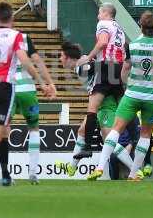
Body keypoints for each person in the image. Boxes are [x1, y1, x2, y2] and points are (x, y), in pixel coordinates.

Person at [88, 11, 153, 181]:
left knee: (116, 130)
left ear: (141, 25)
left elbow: (125, 72)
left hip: (132, 95)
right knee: (145, 135)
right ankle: (134, 173)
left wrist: (128, 84)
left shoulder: (132, 46)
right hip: (152, 98)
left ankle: (99, 167)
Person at [0, 2, 52, 187]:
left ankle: (5, 174)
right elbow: (26, 61)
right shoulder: (16, 36)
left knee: (1, 131)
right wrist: (41, 82)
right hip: (5, 87)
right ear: (11, 18)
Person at [58, 42, 137, 178]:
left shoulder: (83, 65)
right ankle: (72, 167)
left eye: (61, 56)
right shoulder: (81, 66)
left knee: (108, 139)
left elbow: (104, 71)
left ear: (68, 57)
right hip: (103, 102)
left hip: (106, 104)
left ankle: (135, 170)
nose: (60, 60)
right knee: (82, 131)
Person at [77, 3, 126, 154]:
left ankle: (87, 146)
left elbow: (103, 42)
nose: (98, 16)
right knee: (123, 107)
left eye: (99, 13)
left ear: (105, 13)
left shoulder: (103, 24)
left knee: (92, 108)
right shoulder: (120, 29)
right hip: (118, 69)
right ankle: (134, 139)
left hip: (105, 67)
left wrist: (89, 58)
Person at [11, 33, 56, 184]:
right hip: (27, 90)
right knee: (34, 128)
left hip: (6, 89)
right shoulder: (23, 38)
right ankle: (32, 173)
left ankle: (1, 173)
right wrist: (49, 83)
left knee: (1, 129)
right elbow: (37, 60)